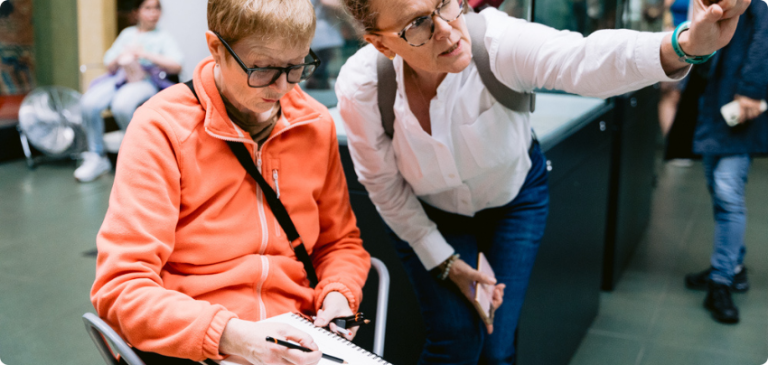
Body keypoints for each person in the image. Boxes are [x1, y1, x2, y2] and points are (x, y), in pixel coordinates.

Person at [334, 0, 750, 363]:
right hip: (427, 212)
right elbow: (383, 185)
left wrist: (685, 45)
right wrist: (444, 260)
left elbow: (583, 60)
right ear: (383, 43)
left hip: (515, 200)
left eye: (445, 1)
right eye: (416, 24)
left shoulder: (494, 40)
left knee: (498, 346)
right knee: (455, 341)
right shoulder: (363, 86)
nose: (446, 28)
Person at [90, 0, 370, 364]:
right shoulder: (162, 127)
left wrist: (338, 295)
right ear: (217, 48)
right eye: (264, 68)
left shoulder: (314, 123)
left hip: (299, 340)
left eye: (296, 66)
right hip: (195, 344)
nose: (282, 88)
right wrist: (230, 337)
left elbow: (340, 243)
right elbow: (121, 289)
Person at [682, 0, 767, 324]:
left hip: (738, 103)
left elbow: (765, 38)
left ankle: (721, 280)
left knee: (727, 192)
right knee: (717, 190)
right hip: (712, 102)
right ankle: (732, 266)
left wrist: (751, 91)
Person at [75, 0, 183, 183]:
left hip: (146, 80)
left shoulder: (163, 37)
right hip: (119, 78)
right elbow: (109, 63)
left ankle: (134, 158)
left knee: (122, 106)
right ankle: (97, 156)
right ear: (137, 12)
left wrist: (145, 55)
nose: (153, 13)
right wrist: (122, 57)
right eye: (148, 8)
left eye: (157, 8)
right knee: (88, 103)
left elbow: (177, 65)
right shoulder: (127, 34)